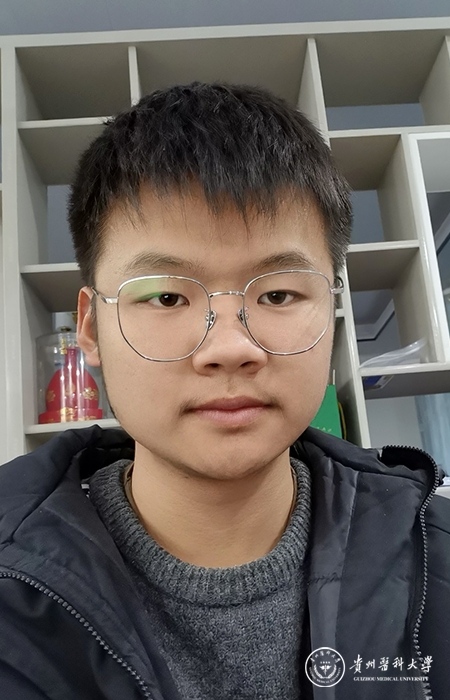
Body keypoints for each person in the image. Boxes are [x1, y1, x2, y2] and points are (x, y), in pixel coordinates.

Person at [0, 82, 448, 700]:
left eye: (278, 294)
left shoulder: (436, 557)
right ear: (90, 328)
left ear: (332, 312)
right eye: (166, 296)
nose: (230, 347)